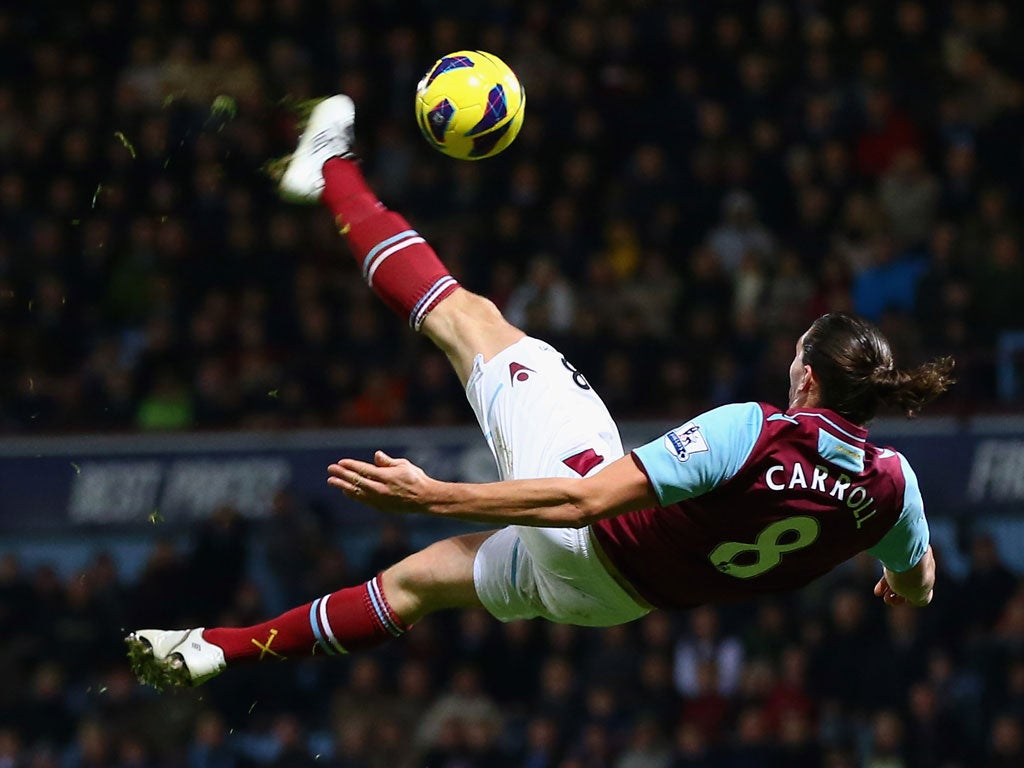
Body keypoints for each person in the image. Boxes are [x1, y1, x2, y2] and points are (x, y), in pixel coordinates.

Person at [126, 95, 952, 690]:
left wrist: (437, 494)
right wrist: (893, 580)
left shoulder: (757, 431)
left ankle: (329, 168)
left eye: (795, 355)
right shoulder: (889, 489)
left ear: (807, 374)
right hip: (614, 604)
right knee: (414, 588)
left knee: (471, 322)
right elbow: (917, 585)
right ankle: (214, 649)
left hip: (591, 545)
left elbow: (585, 502)